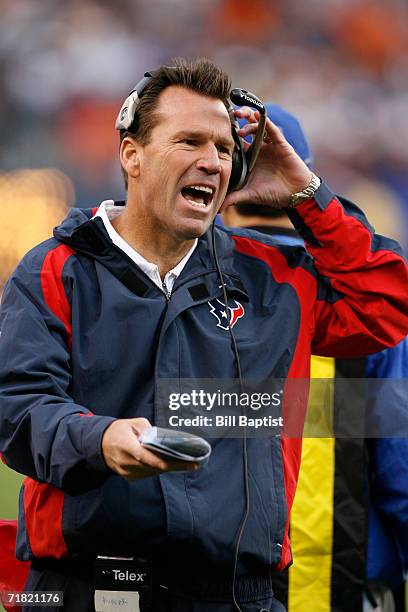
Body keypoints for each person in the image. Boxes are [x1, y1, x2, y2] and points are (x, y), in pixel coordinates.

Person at [0, 58, 407, 612]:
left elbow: (387, 305)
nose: (211, 161)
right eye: (189, 141)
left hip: (240, 596)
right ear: (132, 155)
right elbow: (18, 406)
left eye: (223, 148)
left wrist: (303, 192)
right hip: (87, 590)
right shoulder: (56, 268)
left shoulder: (273, 278)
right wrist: (98, 439)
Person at [222, 104, 408, 612]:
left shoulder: (191, 286)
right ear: (299, 170)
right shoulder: (356, 298)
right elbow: (400, 474)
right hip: (341, 587)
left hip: (218, 585)